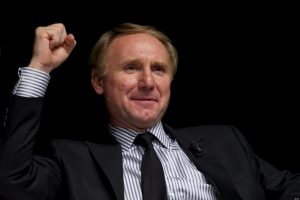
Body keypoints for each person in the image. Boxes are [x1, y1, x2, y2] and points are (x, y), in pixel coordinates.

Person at [0, 22, 299, 200]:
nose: (147, 82)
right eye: (131, 68)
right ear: (98, 82)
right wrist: (39, 68)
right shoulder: (72, 159)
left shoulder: (225, 141)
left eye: (158, 69)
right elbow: (12, 182)